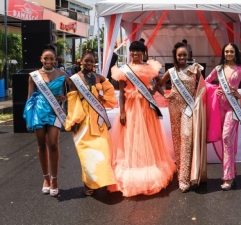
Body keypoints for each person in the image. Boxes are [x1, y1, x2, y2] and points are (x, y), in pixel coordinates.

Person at [108, 41, 176, 197]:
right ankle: (133, 170)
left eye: (139, 51)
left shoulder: (149, 67)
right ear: (130, 53)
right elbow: (122, 93)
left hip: (146, 107)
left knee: (148, 136)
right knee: (132, 137)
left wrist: (163, 93)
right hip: (131, 108)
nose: (136, 54)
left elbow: (158, 82)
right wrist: (122, 111)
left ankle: (150, 167)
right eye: (133, 51)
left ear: (144, 53)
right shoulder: (123, 70)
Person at [205, 43, 241, 190]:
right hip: (219, 107)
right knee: (225, 142)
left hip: (233, 108)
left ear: (235, 53)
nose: (229, 53)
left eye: (231, 51)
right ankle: (231, 172)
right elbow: (205, 83)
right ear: (224, 53)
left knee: (226, 137)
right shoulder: (218, 69)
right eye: (226, 51)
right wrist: (215, 89)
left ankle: (227, 178)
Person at [156, 42, 207, 193]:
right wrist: (166, 95)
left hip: (189, 109)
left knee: (187, 138)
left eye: (184, 55)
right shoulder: (171, 71)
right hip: (174, 108)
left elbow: (203, 87)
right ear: (175, 57)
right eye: (179, 55)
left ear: (188, 55)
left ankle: (185, 179)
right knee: (178, 141)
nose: (182, 57)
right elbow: (158, 84)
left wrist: (197, 101)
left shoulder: (195, 69)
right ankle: (182, 174)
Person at [65, 50, 117, 196]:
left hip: (99, 120)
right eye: (86, 60)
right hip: (83, 121)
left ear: (94, 63)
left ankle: (102, 180)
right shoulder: (74, 79)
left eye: (91, 61)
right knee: (87, 154)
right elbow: (73, 101)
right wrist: (74, 121)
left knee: (104, 151)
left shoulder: (98, 77)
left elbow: (110, 89)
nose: (88, 63)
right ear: (80, 61)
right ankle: (87, 183)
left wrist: (103, 99)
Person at [23, 44, 69, 197]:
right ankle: (46, 179)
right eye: (45, 58)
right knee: (41, 145)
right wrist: (28, 118)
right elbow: (29, 97)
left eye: (51, 58)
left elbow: (74, 90)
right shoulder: (34, 75)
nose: (48, 61)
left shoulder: (62, 74)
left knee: (54, 144)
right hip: (38, 112)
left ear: (55, 60)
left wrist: (65, 98)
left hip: (55, 111)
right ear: (41, 59)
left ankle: (55, 179)